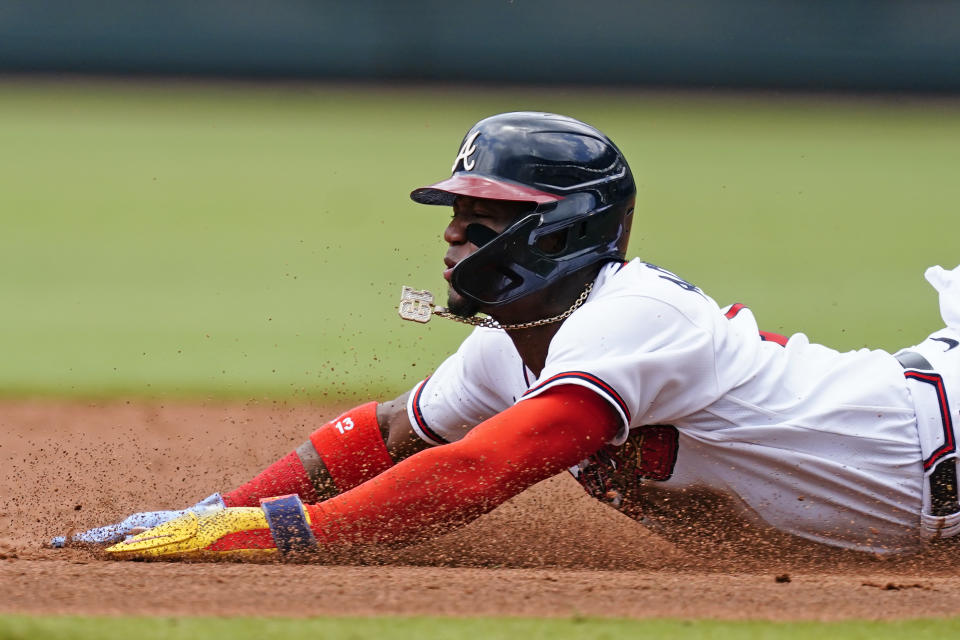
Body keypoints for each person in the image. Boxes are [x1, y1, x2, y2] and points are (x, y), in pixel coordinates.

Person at [54, 111, 960, 559]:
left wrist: (265, 539)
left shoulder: (633, 318)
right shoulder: (512, 343)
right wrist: (215, 513)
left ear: (565, 227)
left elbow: (478, 470)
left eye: (486, 216)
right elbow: (383, 438)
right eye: (456, 213)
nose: (454, 235)